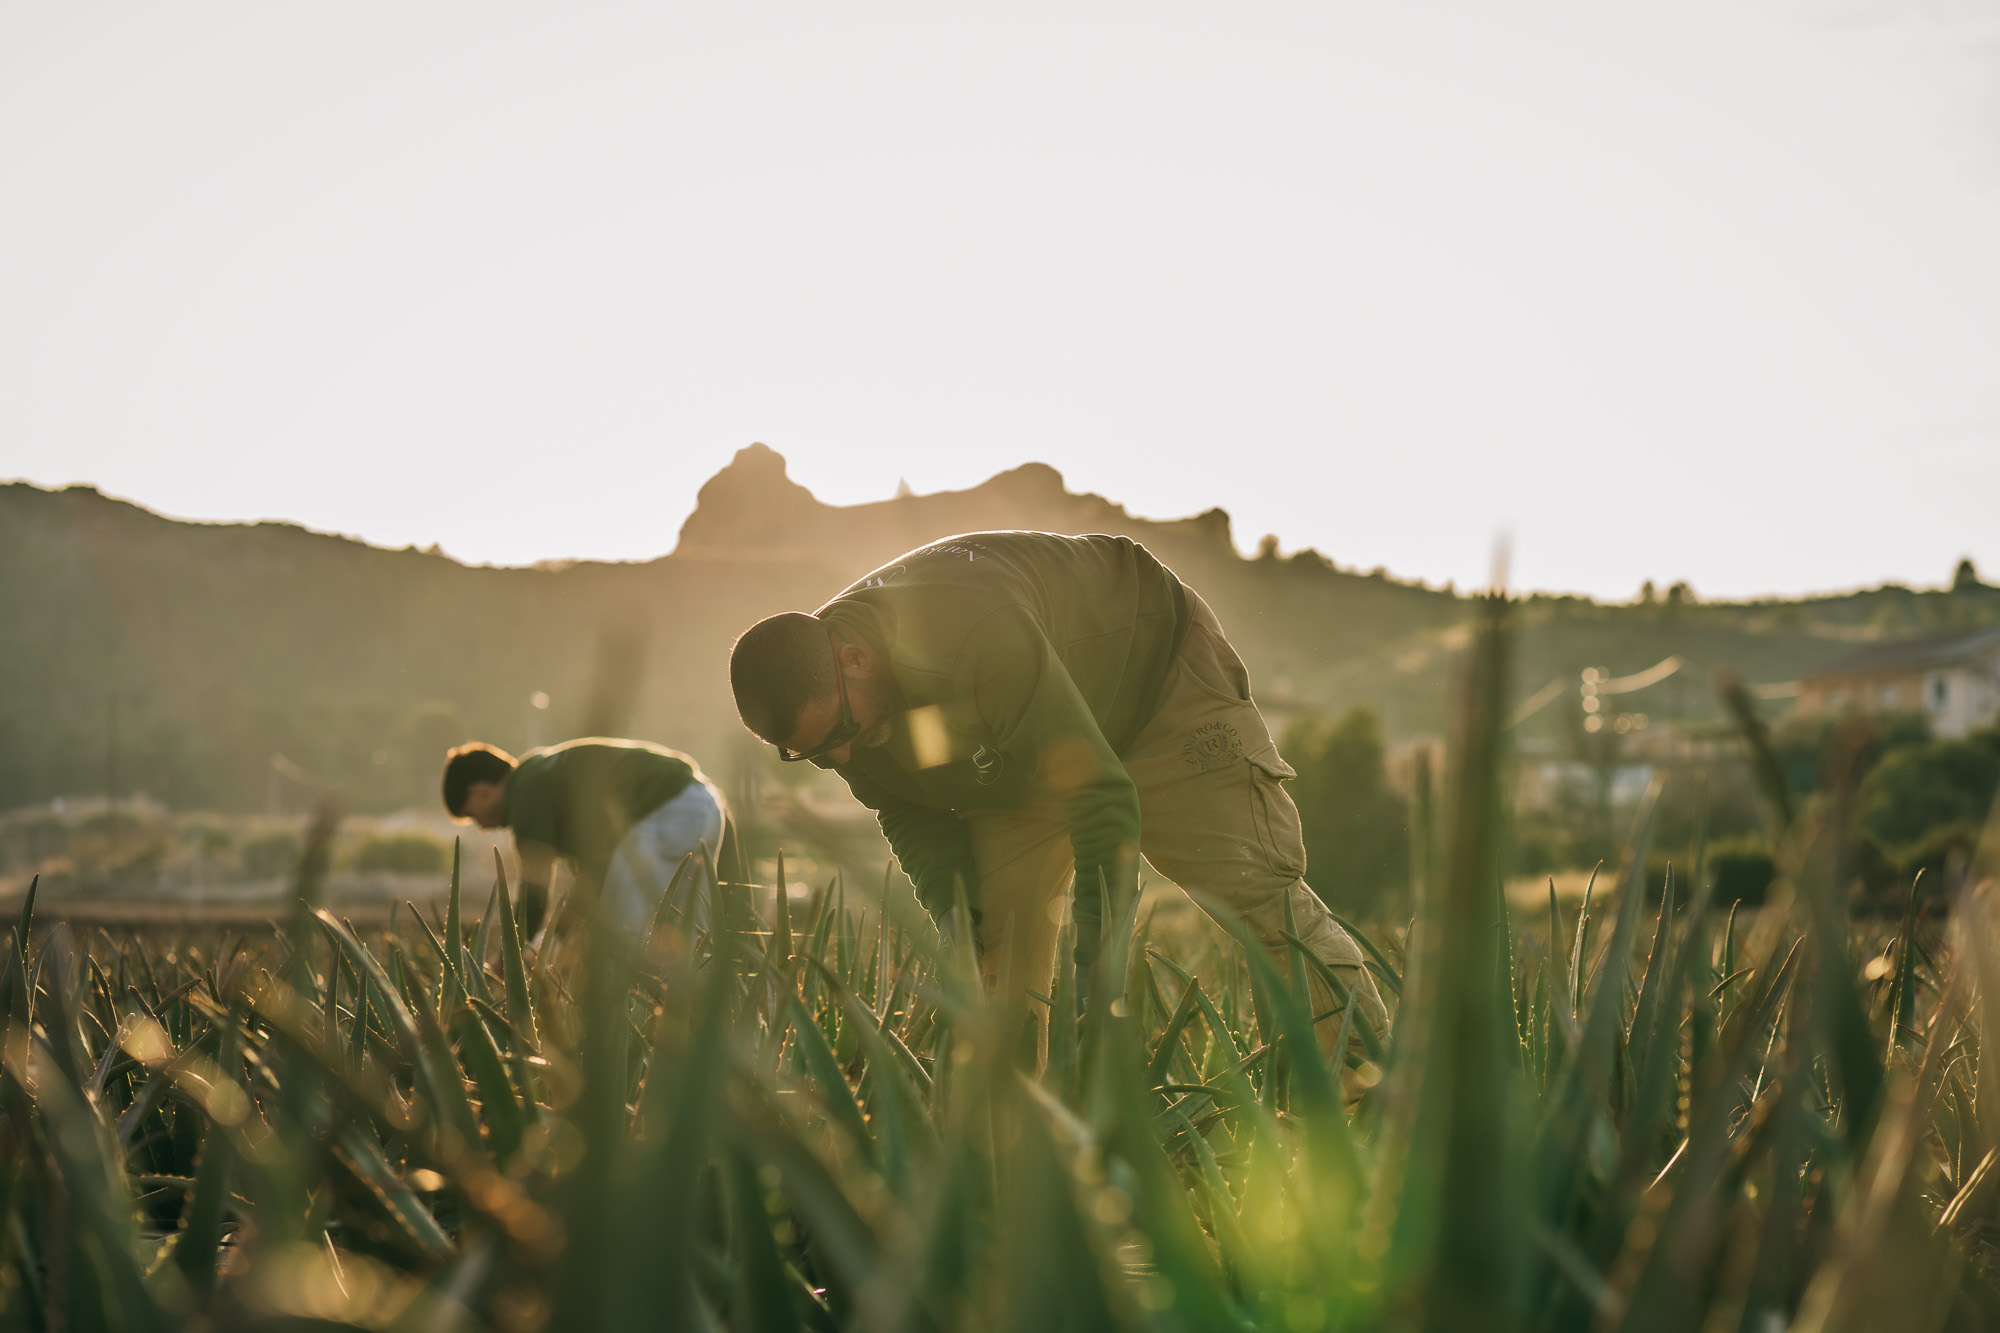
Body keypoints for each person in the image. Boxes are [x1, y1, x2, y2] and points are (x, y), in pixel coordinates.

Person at [728, 531, 1386, 1055]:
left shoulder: (969, 632)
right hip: (1023, 739)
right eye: (812, 753)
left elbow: (1101, 797)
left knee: (1258, 897)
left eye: (840, 735)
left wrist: (1097, 968)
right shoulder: (841, 714)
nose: (841, 757)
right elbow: (904, 805)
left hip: (1155, 681)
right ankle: (1013, 1159)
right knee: (993, 952)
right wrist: (956, 913)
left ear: (854, 658)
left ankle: (1369, 1095)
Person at [441, 737, 728, 938]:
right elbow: (595, 872)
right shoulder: (543, 773)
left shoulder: (525, 790)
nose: (482, 826)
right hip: (703, 802)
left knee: (629, 933)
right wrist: (558, 934)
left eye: (472, 815)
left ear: (480, 792)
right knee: (692, 927)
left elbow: (534, 884)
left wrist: (513, 951)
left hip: (666, 810)